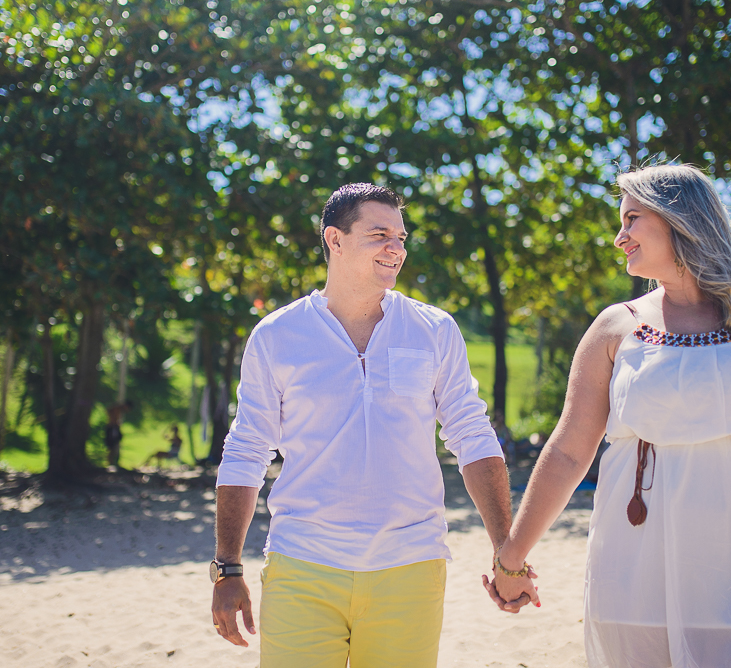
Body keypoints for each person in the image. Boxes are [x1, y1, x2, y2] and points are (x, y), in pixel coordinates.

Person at [487, 164, 731, 666]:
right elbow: (567, 449)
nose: (618, 237)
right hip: (638, 573)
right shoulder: (615, 328)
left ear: (680, 220)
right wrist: (512, 556)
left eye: (631, 220)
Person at [211, 183, 524, 667]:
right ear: (334, 240)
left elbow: (472, 436)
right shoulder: (277, 335)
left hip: (411, 564)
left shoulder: (435, 329)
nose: (395, 248)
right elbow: (247, 449)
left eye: (400, 237)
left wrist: (506, 549)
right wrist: (227, 567)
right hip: (303, 563)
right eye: (379, 234)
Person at [105, 400, 132, 468]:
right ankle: (110, 462)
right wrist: (115, 424)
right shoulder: (117, 409)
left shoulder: (118, 409)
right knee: (113, 444)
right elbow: (113, 418)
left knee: (114, 444)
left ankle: (112, 462)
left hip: (113, 427)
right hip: (113, 427)